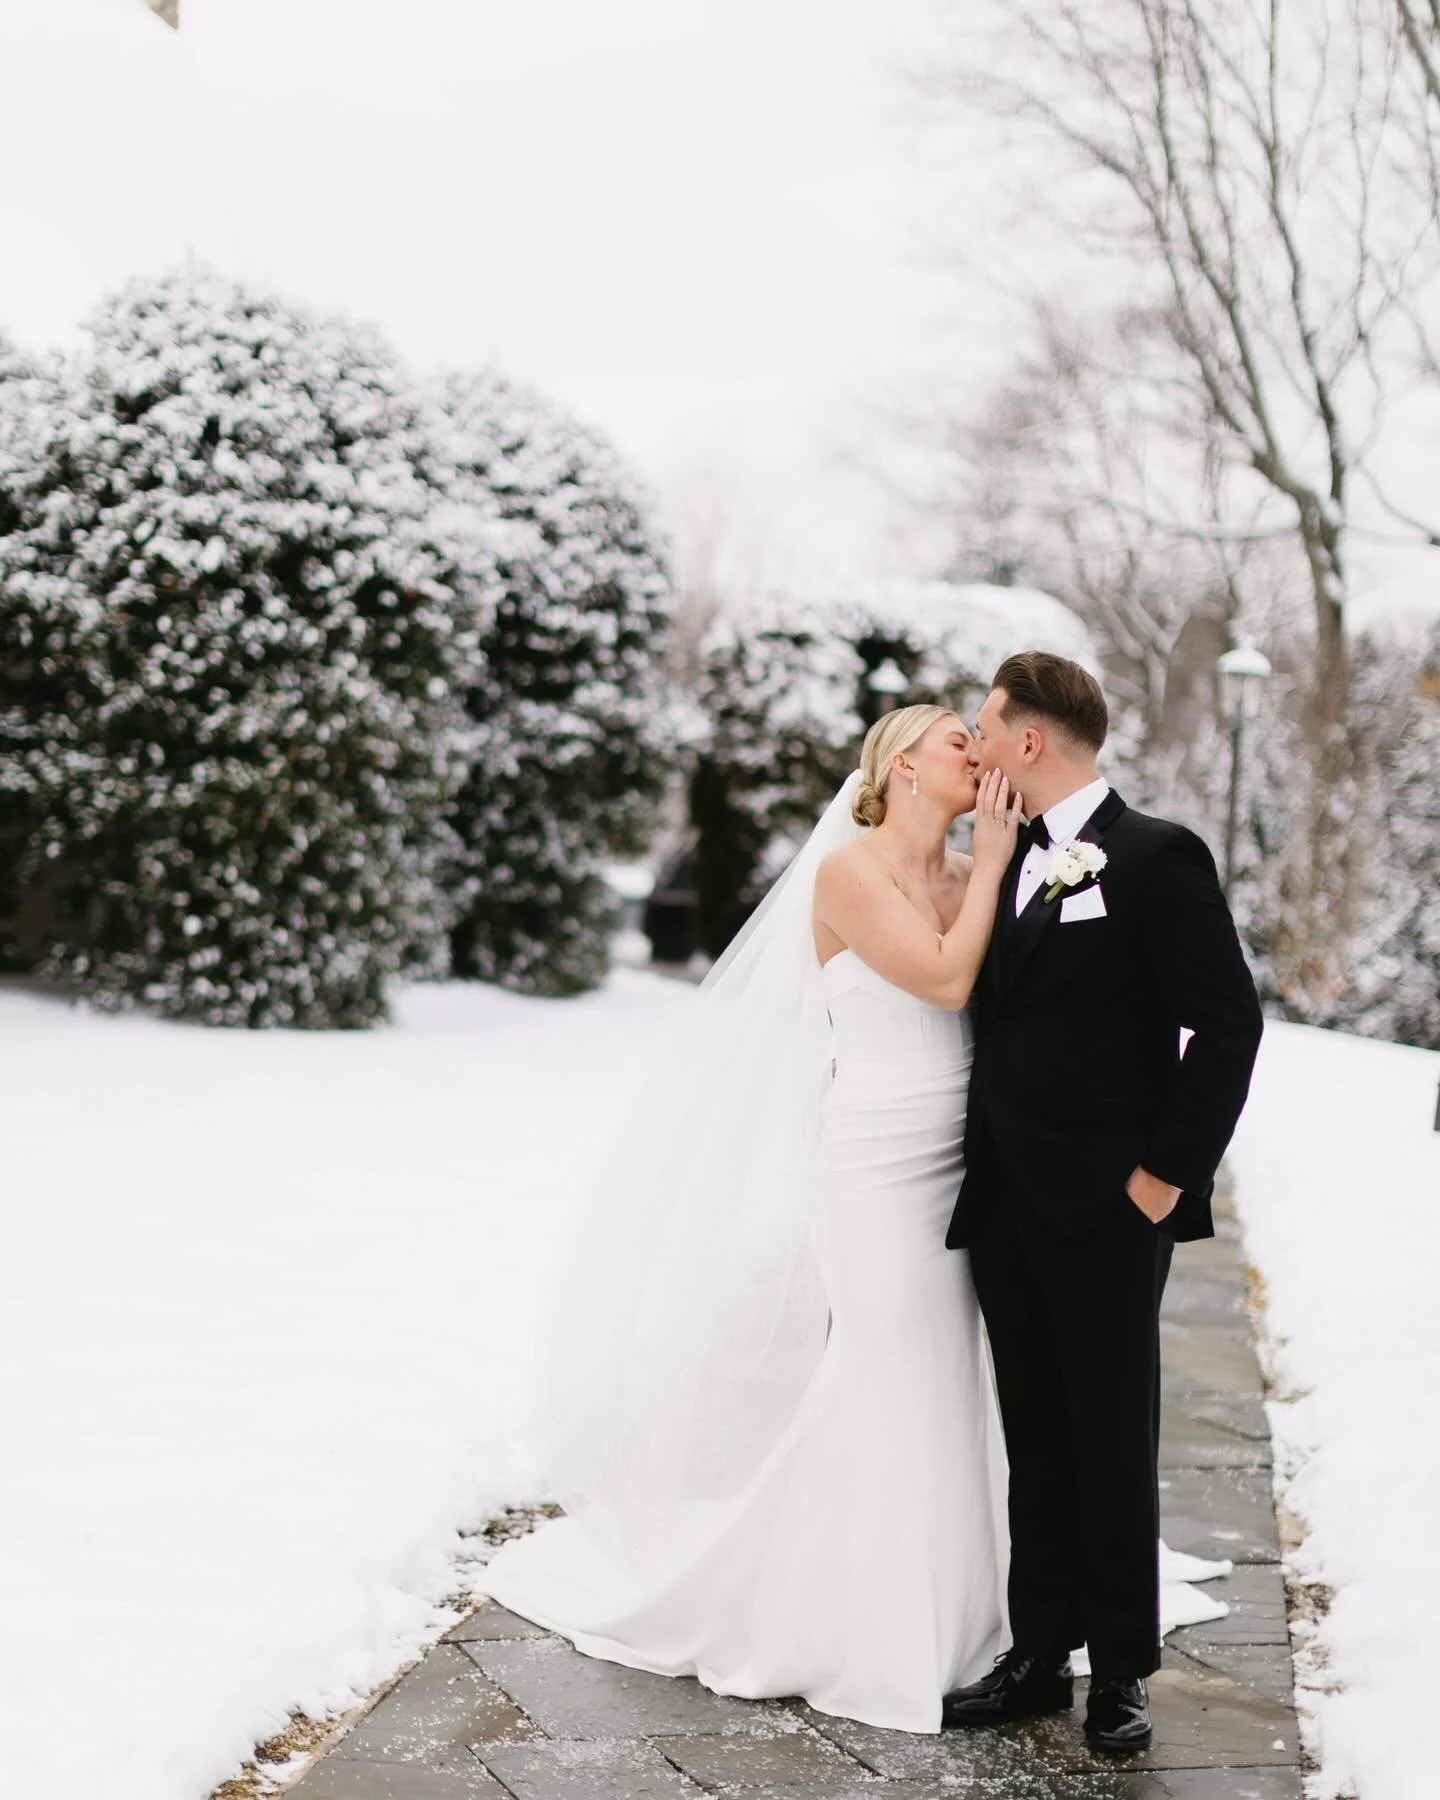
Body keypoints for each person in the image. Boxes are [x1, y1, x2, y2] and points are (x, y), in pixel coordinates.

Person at [480, 705, 1021, 1731]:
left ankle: (955, 1610)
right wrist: (992, 862)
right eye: (961, 739)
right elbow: (947, 978)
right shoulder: (850, 874)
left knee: (950, 1371)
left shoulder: (965, 873)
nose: (980, 754)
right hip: (872, 1161)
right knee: (885, 1361)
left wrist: (989, 867)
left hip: (962, 1162)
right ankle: (846, 1618)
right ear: (904, 764)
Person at [941, 652, 1264, 1753]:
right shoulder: (1000, 855)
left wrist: (1161, 1180)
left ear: (1030, 741)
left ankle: (1121, 1668)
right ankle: (1040, 1655)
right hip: (1004, 1202)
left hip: (1110, 1209)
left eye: (985, 726)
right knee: (1035, 1433)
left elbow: (1228, 1028)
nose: (976, 746)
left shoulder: (1157, 857)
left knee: (1111, 1437)